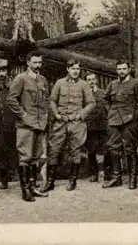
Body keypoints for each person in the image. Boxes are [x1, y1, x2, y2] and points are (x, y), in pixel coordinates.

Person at [42, 59, 96, 192]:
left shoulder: (84, 85)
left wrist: (81, 115)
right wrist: (56, 114)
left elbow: (91, 103)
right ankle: (50, 182)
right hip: (60, 122)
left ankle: (73, 180)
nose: (75, 71)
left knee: (75, 151)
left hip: (76, 123)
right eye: (73, 69)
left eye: (78, 69)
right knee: (54, 150)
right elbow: (53, 101)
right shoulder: (60, 83)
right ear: (67, 69)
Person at [6, 52, 50, 201]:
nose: (38, 65)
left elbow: (46, 100)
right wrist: (23, 115)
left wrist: (45, 118)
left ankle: (32, 187)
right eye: (35, 62)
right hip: (25, 125)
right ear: (28, 63)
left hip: (39, 124)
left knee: (36, 157)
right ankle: (25, 190)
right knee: (25, 157)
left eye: (40, 62)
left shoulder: (43, 79)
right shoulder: (20, 79)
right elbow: (11, 99)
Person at [102, 60, 138, 189]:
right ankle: (116, 177)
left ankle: (132, 178)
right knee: (114, 148)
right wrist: (110, 112)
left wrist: (134, 117)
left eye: (124, 69)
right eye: (119, 69)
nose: (121, 71)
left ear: (129, 70)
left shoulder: (136, 84)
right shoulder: (113, 84)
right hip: (114, 120)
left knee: (130, 149)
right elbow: (105, 99)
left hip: (130, 121)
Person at [0, 58, 18, 190]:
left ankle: (20, 178)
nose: (1, 73)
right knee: (0, 152)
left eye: (3, 70)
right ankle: (3, 179)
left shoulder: (14, 86)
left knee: (15, 151)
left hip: (13, 125)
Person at [84, 72, 109, 183]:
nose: (91, 82)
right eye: (89, 80)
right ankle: (94, 173)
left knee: (102, 149)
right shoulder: (83, 95)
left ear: (96, 81)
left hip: (102, 126)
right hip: (89, 127)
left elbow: (108, 108)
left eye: (93, 79)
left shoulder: (103, 93)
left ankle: (103, 173)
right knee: (91, 150)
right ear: (86, 82)